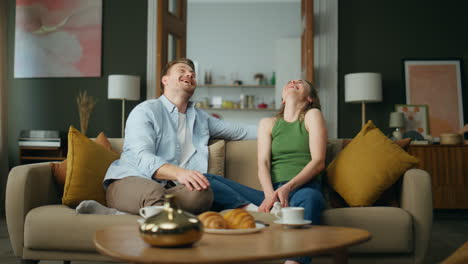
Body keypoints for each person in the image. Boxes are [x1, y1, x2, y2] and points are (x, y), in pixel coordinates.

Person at [78, 58, 257, 215]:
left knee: (202, 194)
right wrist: (180, 173)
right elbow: (141, 156)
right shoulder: (146, 110)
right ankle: (120, 212)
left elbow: (241, 131)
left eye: (192, 73)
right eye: (182, 70)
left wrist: (279, 125)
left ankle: (123, 214)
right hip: (130, 181)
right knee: (153, 192)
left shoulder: (202, 119)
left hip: (170, 190)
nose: (189, 74)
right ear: (165, 80)